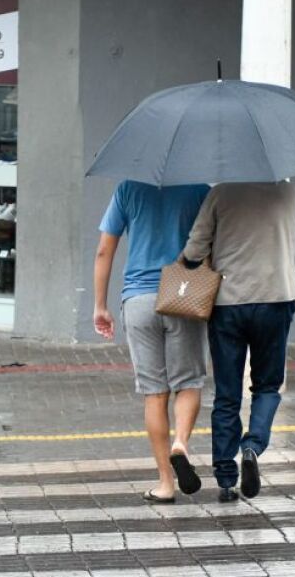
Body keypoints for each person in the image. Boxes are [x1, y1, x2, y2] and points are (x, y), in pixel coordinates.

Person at [183, 181, 295, 503]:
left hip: (227, 302)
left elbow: (194, 250)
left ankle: (225, 479)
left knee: (227, 394)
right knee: (267, 386)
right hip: (276, 297)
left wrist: (194, 261)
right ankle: (253, 446)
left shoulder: (220, 192)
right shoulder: (288, 192)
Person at [94, 179, 209, 503]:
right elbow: (214, 242)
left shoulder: (129, 189)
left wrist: (100, 305)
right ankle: (181, 444)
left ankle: (164, 483)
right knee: (188, 382)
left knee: (154, 393)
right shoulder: (199, 189)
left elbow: (105, 249)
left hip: (139, 299)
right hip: (183, 294)